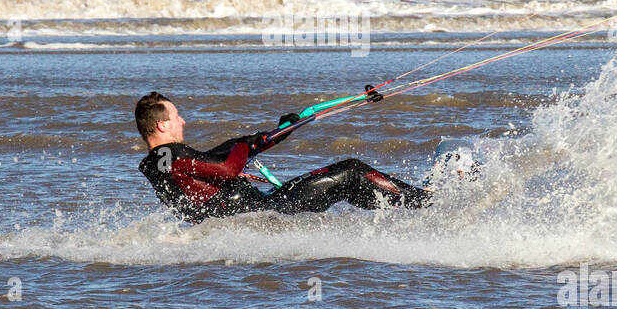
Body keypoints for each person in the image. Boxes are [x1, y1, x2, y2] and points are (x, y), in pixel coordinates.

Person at [134, 92, 430, 223]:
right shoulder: (168, 154)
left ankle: (412, 209)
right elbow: (226, 168)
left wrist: (277, 132)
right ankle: (425, 202)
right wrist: (245, 147)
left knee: (345, 185)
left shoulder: (160, 162)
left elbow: (212, 160)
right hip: (265, 211)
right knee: (351, 171)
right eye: (176, 116)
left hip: (254, 209)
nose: (182, 121)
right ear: (162, 124)